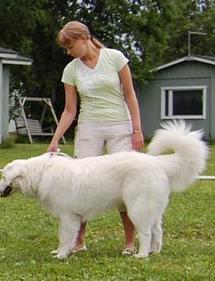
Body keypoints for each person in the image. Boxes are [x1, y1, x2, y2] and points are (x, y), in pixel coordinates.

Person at [49, 21, 144, 255]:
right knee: (80, 183)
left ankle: (130, 243)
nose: (69, 52)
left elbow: (130, 94)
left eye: (70, 46)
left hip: (119, 124)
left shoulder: (115, 58)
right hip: (89, 127)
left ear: (84, 38)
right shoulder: (71, 70)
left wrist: (137, 129)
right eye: (66, 48)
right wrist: (55, 138)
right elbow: (69, 110)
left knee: (126, 182)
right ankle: (78, 242)